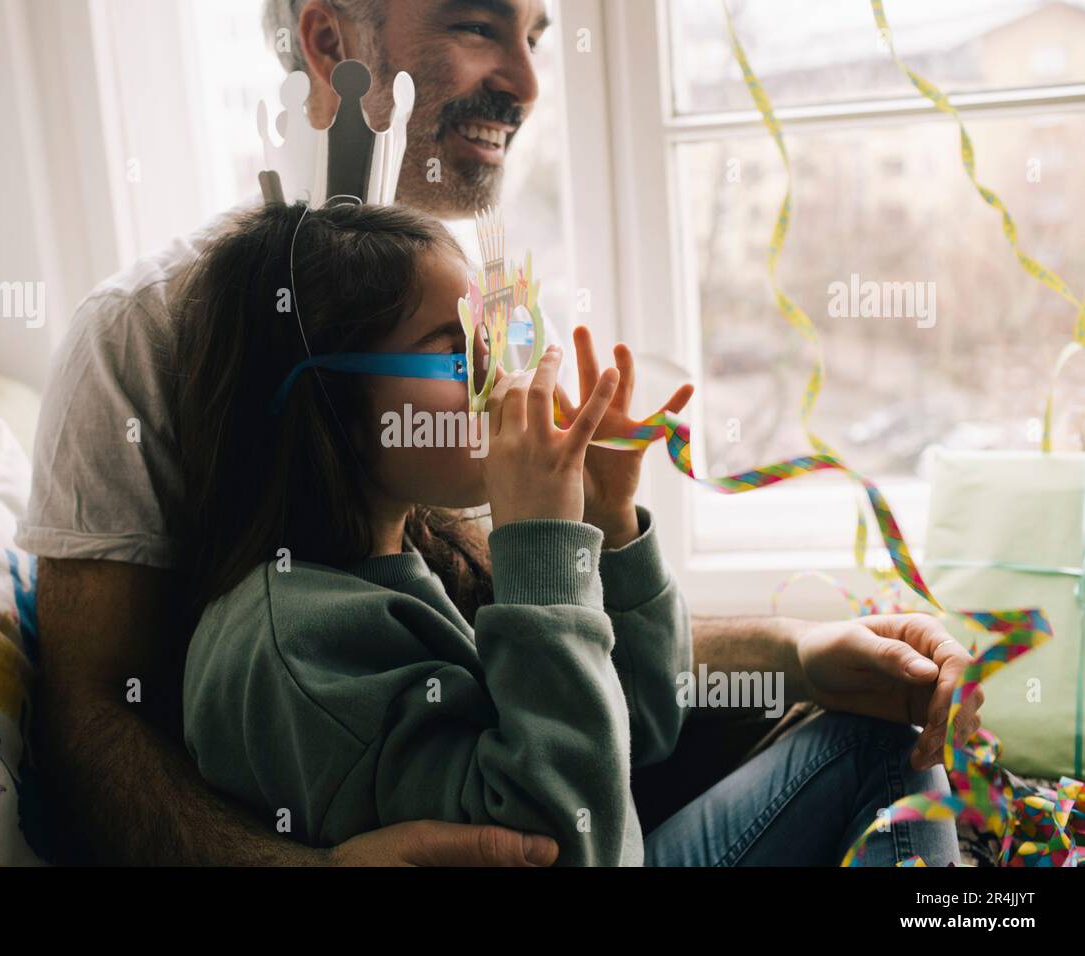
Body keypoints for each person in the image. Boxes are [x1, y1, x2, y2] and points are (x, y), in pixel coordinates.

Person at [18, 0, 982, 865]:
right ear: (329, 42)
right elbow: (95, 720)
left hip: (553, 785)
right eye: (477, 26)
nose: (526, 80)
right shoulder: (154, 329)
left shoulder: (454, 288)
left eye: (536, 36)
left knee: (867, 725)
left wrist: (790, 649)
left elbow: (535, 657)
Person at [175, 198, 962, 866]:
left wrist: (609, 524)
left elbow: (638, 734)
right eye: (457, 358)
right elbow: (564, 841)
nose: (505, 385)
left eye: (499, 343)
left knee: (879, 729)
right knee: (872, 752)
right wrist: (541, 549)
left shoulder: (411, 556)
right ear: (325, 405)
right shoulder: (295, 646)